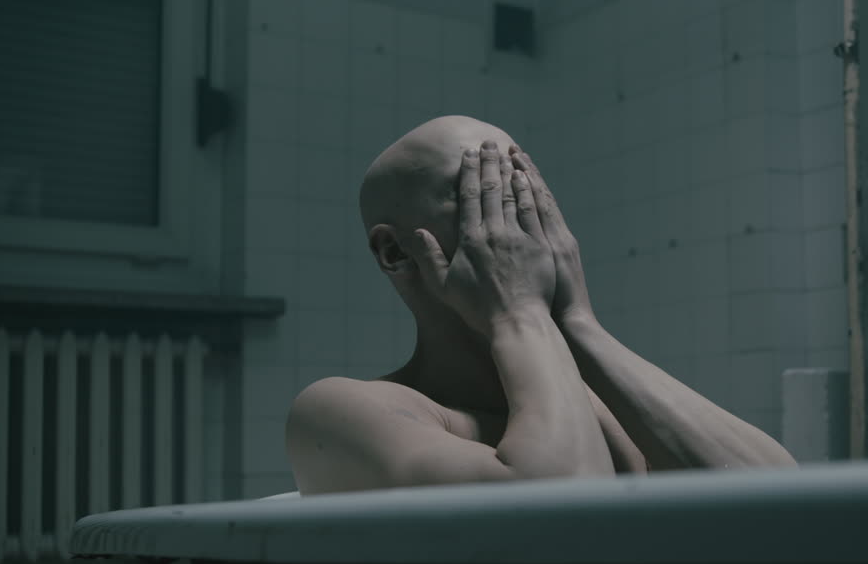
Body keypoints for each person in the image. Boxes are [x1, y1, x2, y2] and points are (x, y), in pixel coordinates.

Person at [285, 115, 795, 494]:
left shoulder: (587, 407)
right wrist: (518, 313)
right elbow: (559, 515)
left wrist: (579, 324)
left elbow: (778, 504)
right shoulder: (342, 410)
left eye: (524, 187)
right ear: (396, 253)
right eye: (481, 193)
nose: (523, 221)